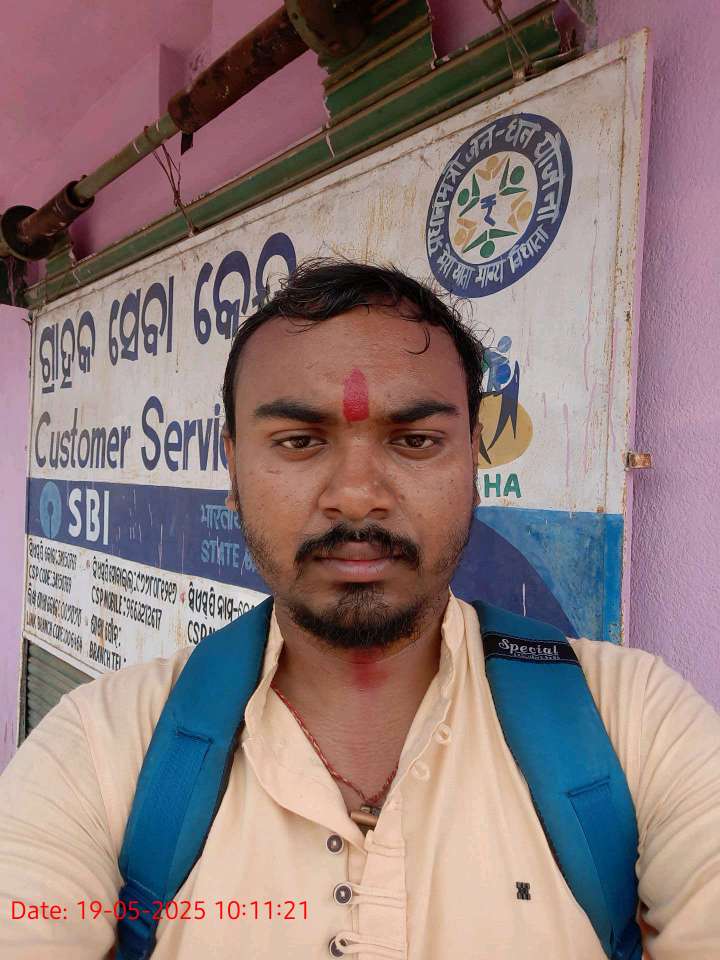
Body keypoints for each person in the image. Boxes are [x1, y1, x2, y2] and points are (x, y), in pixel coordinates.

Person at [0, 260, 719, 960]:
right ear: (232, 466)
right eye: (299, 442)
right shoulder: (100, 747)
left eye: (415, 441)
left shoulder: (633, 719)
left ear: (474, 461)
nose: (356, 496)